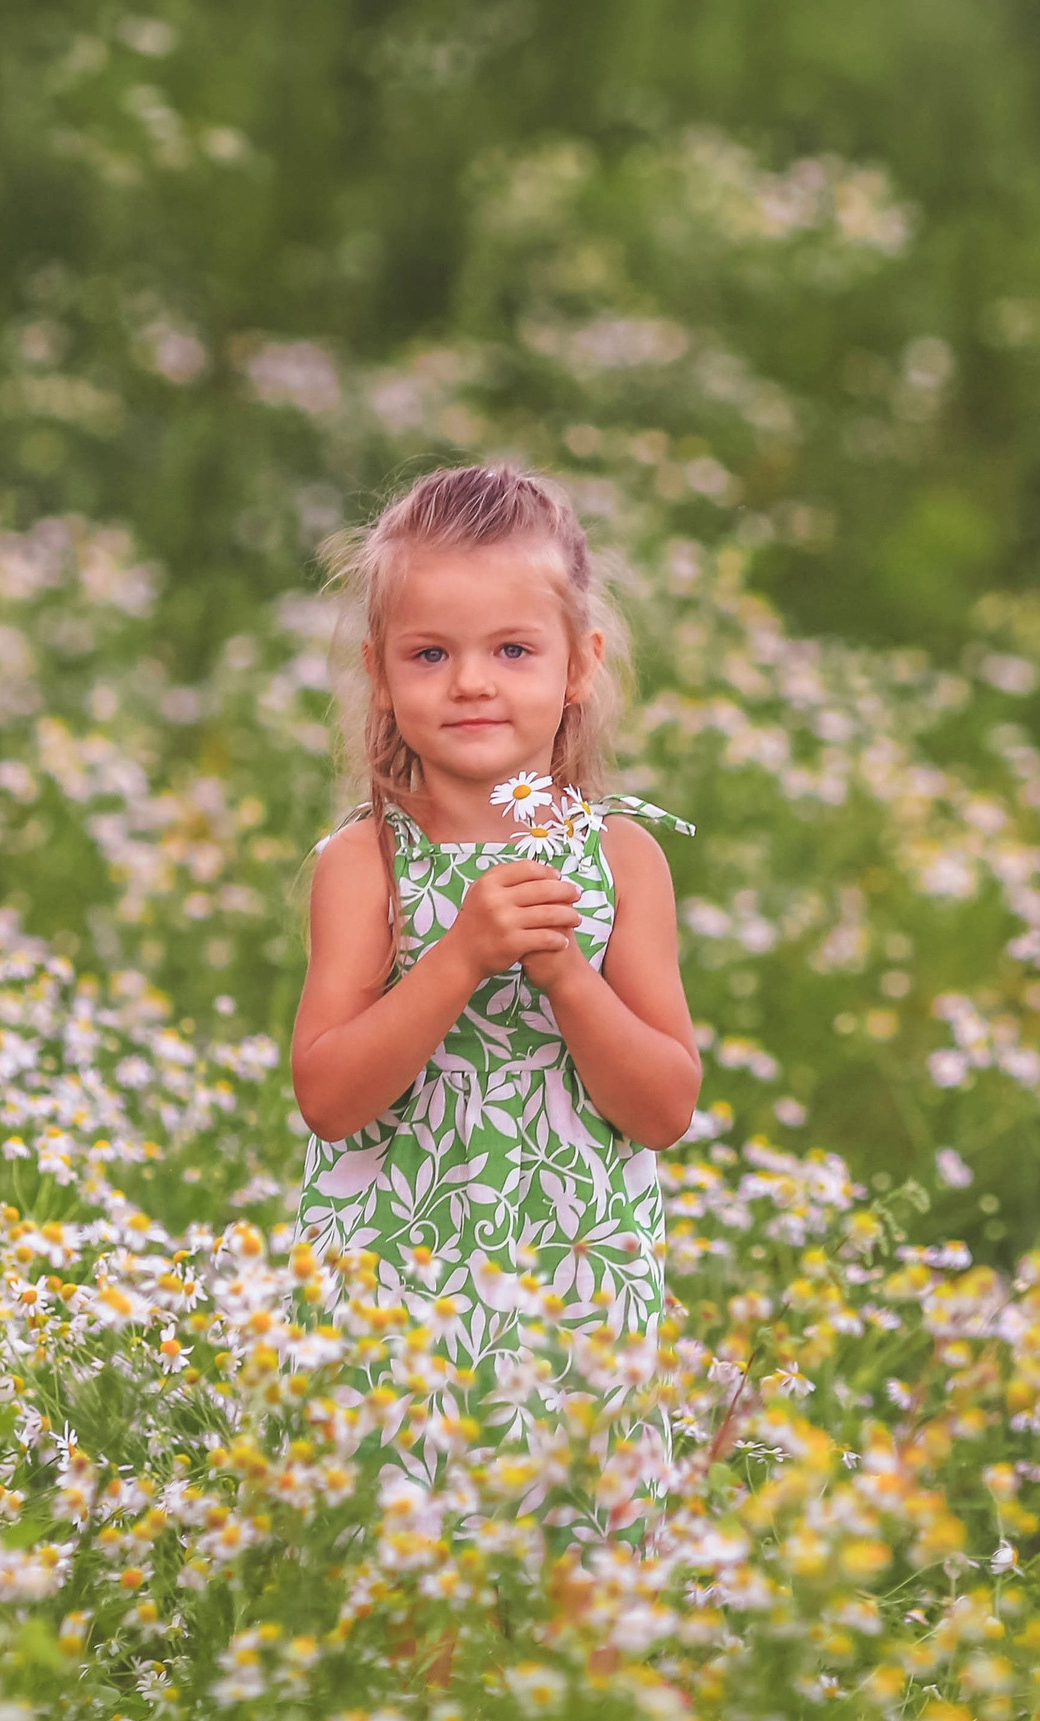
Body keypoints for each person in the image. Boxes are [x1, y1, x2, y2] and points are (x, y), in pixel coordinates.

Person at [289, 460, 702, 1551]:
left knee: (582, 1582)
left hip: (579, 1282)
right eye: (431, 653)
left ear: (579, 667)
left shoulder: (620, 858)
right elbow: (328, 1096)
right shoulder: (363, 863)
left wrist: (567, 971)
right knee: (407, 1576)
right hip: (399, 1289)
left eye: (513, 649)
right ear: (380, 675)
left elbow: (662, 1109)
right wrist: (459, 955)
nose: (471, 682)